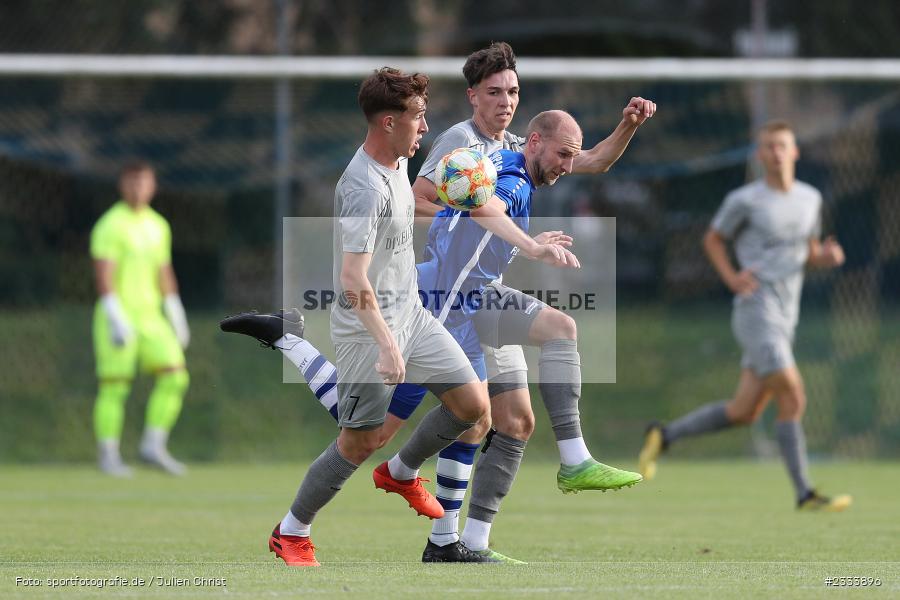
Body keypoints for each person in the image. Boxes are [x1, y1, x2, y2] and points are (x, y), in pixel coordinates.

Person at [224, 42, 656, 563]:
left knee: (485, 410)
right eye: (495, 92)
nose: (506, 101)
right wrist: (468, 215)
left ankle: (450, 532)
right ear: (471, 96)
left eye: (513, 91)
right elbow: (368, 263)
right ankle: (298, 508)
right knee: (363, 433)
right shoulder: (432, 156)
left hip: (433, 301)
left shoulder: (486, 149)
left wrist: (626, 126)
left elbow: (538, 179)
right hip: (403, 306)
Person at [264, 67, 496, 567]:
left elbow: (407, 220)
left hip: (411, 315)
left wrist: (465, 215)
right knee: (359, 439)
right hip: (369, 332)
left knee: (471, 405)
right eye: (418, 118)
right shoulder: (363, 186)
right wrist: (388, 345)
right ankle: (291, 530)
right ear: (389, 122)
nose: (425, 128)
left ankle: (402, 471)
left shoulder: (396, 165)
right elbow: (353, 277)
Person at [637, 120, 852, 512]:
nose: (776, 153)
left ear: (795, 151)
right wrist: (733, 278)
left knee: (743, 412)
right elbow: (712, 239)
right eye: (768, 147)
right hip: (756, 312)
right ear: (759, 155)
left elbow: (808, 251)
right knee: (794, 393)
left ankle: (663, 435)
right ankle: (804, 492)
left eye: (782, 146)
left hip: (787, 317)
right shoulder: (745, 199)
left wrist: (826, 258)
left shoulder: (810, 199)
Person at [90, 161, 190, 477]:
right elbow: (103, 275)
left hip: (151, 317)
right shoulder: (110, 224)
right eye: (132, 182)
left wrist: (175, 310)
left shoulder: (158, 225)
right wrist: (115, 315)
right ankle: (108, 454)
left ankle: (153, 446)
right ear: (122, 185)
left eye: (144, 182)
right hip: (117, 315)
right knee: (115, 387)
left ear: (153, 186)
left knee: (175, 376)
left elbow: (163, 271)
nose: (138, 188)